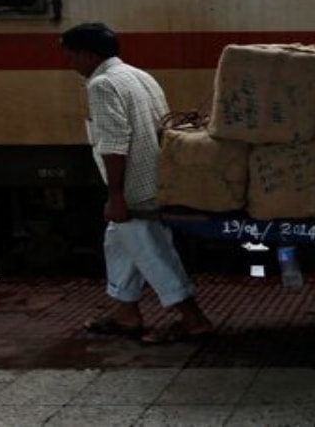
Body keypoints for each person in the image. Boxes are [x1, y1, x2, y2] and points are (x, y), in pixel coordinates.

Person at [61, 22, 213, 344]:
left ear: (88, 55)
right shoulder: (139, 76)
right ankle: (125, 313)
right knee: (118, 242)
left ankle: (193, 318)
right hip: (158, 176)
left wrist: (116, 195)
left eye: (71, 56)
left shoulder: (101, 85)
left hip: (135, 187)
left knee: (150, 250)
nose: (70, 64)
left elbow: (115, 143)